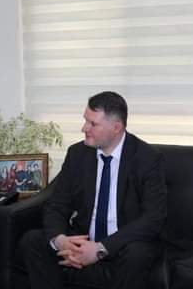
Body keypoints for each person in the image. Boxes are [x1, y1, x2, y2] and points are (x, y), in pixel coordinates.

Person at [20, 91, 167, 289]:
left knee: (137, 255)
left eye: (93, 124)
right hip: (84, 238)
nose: (84, 128)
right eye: (85, 120)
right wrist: (61, 241)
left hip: (124, 242)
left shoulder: (147, 159)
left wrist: (100, 249)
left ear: (116, 127)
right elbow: (57, 205)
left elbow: (153, 218)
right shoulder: (77, 154)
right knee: (32, 241)